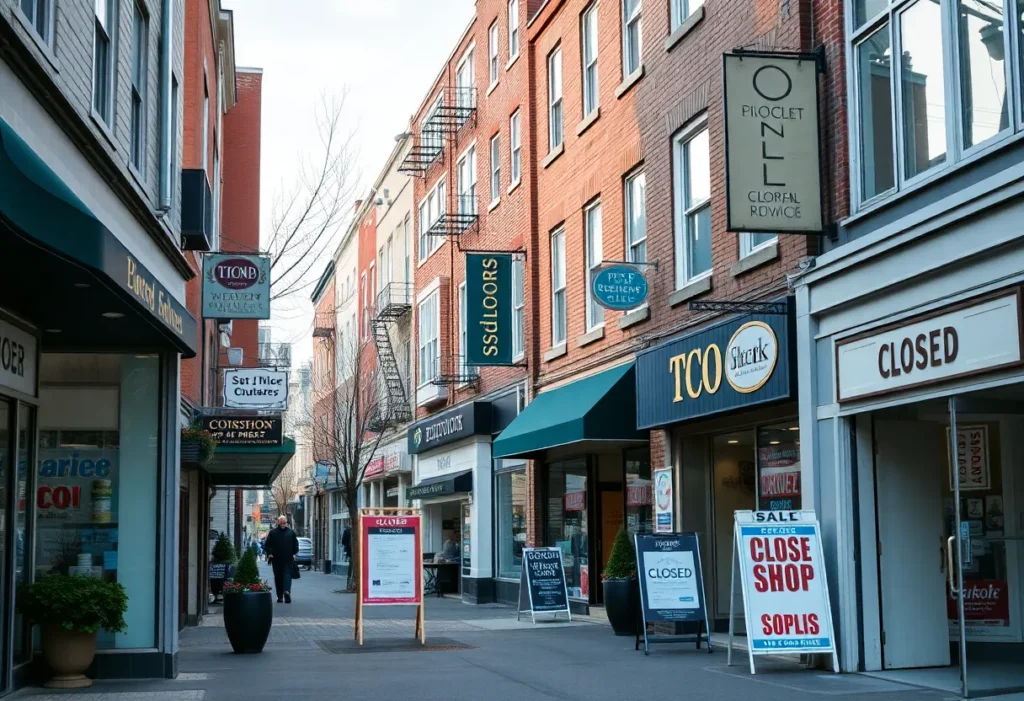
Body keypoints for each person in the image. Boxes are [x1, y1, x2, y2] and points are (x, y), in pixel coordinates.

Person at [264, 515, 299, 603]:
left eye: (284, 522)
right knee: (280, 576)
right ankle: (281, 595)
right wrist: (270, 553)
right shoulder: (274, 532)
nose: (283, 524)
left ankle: (285, 592)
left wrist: (294, 553)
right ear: (278, 522)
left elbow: (295, 544)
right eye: (281, 522)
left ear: (286, 522)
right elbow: (267, 545)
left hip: (286, 558)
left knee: (285, 575)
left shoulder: (290, 533)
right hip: (276, 559)